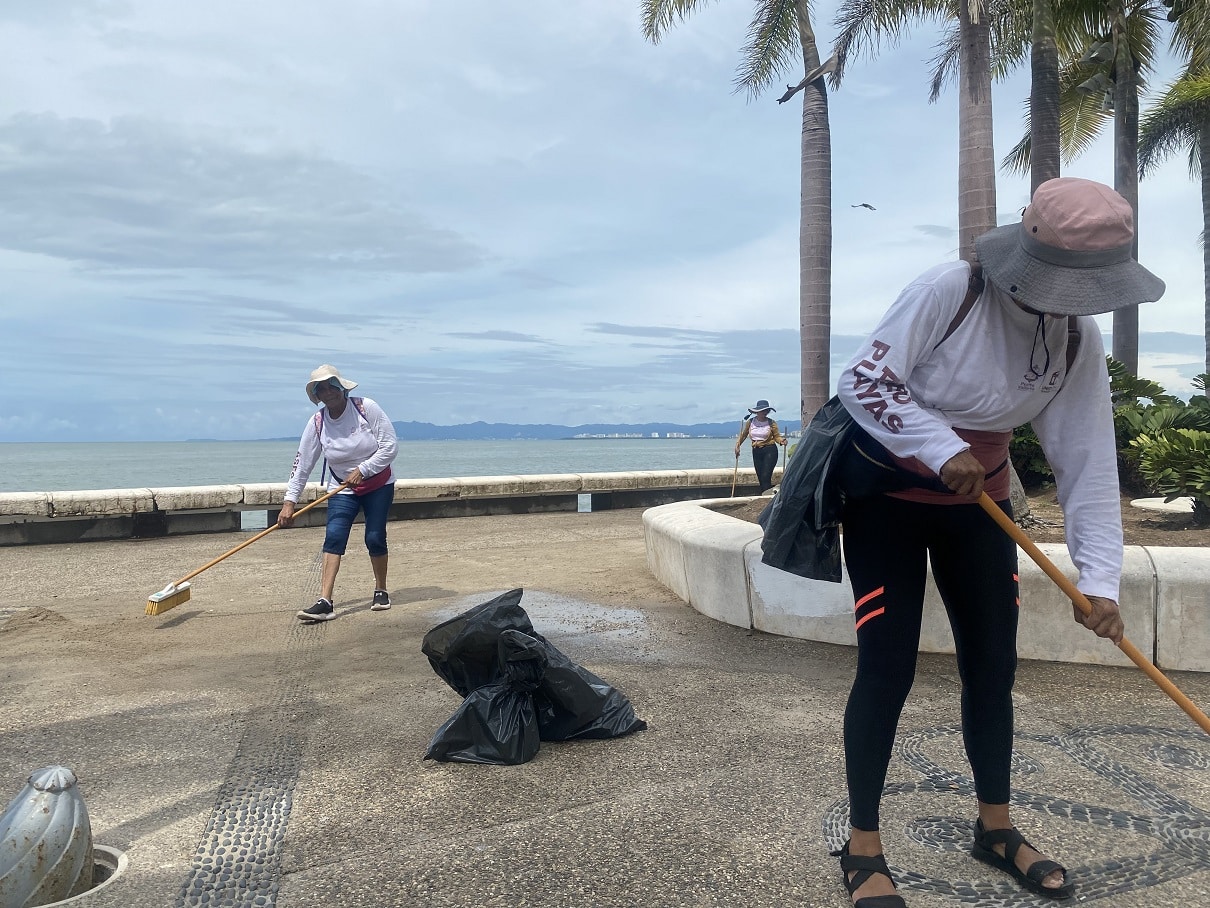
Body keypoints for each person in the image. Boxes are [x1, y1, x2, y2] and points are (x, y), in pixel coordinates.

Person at [831, 178, 1165, 907]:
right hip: (885, 498)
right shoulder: (952, 290)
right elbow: (864, 380)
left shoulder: (1078, 334)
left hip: (980, 505)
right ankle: (862, 846)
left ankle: (996, 828)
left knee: (994, 668)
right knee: (887, 668)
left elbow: (1086, 456)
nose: (1072, 299)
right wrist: (936, 442)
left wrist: (1100, 580)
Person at [279, 364, 399, 622]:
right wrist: (289, 502)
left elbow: (390, 446)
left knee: (375, 536)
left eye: (332, 386)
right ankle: (325, 601)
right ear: (317, 396)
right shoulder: (318, 422)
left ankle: (381, 590)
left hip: (378, 484)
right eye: (321, 389)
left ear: (341, 387)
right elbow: (302, 464)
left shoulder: (366, 408)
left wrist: (364, 469)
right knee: (334, 536)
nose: (328, 392)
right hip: (341, 487)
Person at [734, 399, 787, 493]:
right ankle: (765, 494)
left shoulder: (771, 423)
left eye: (766, 411)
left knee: (766, 475)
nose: (764, 412)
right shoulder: (750, 422)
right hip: (756, 451)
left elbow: (777, 437)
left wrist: (782, 441)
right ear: (757, 412)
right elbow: (744, 435)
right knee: (760, 476)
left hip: (770, 450)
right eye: (762, 411)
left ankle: (766, 496)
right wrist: (738, 445)